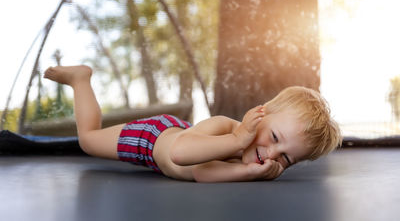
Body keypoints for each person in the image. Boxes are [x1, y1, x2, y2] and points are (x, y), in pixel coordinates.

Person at [44, 65, 342, 182]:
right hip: (152, 138)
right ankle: (80, 79)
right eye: (275, 137)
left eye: (287, 159)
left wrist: (249, 170)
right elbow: (182, 157)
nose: (273, 155)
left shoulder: (254, 163)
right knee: (88, 139)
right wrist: (238, 143)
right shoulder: (225, 127)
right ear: (260, 113)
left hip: (179, 130)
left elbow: (208, 174)